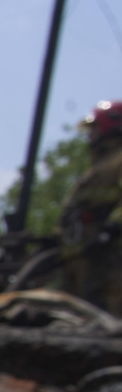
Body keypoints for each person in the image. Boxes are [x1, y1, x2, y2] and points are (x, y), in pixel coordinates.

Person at [60, 99, 122, 313]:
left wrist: (111, 229)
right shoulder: (98, 167)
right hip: (81, 256)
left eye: (93, 129)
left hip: (111, 257)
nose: (89, 135)